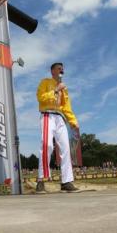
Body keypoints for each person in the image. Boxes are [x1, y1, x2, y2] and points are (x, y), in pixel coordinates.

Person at [36, 62, 80, 193]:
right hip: (47, 115)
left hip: (60, 118)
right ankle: (41, 180)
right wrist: (55, 90)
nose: (62, 71)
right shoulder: (45, 82)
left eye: (62, 69)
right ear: (52, 71)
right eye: (59, 69)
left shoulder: (64, 88)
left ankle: (66, 182)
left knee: (66, 148)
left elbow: (66, 106)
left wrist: (73, 120)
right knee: (47, 145)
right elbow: (40, 98)